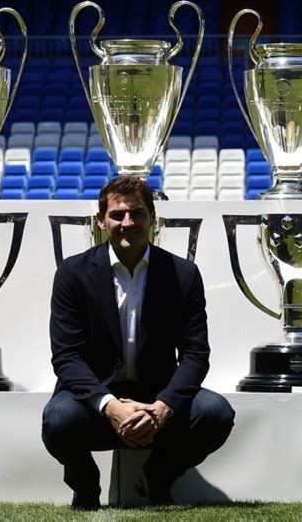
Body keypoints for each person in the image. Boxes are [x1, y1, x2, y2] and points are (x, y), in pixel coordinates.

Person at [42, 175, 235, 510]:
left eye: (137, 213)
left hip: (156, 402)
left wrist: (162, 409)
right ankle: (85, 487)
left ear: (152, 218)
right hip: (96, 402)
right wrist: (111, 407)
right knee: (58, 419)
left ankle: (156, 477)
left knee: (215, 413)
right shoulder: (72, 274)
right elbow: (66, 357)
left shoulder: (183, 274)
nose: (127, 223)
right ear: (101, 220)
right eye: (117, 214)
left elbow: (195, 355)